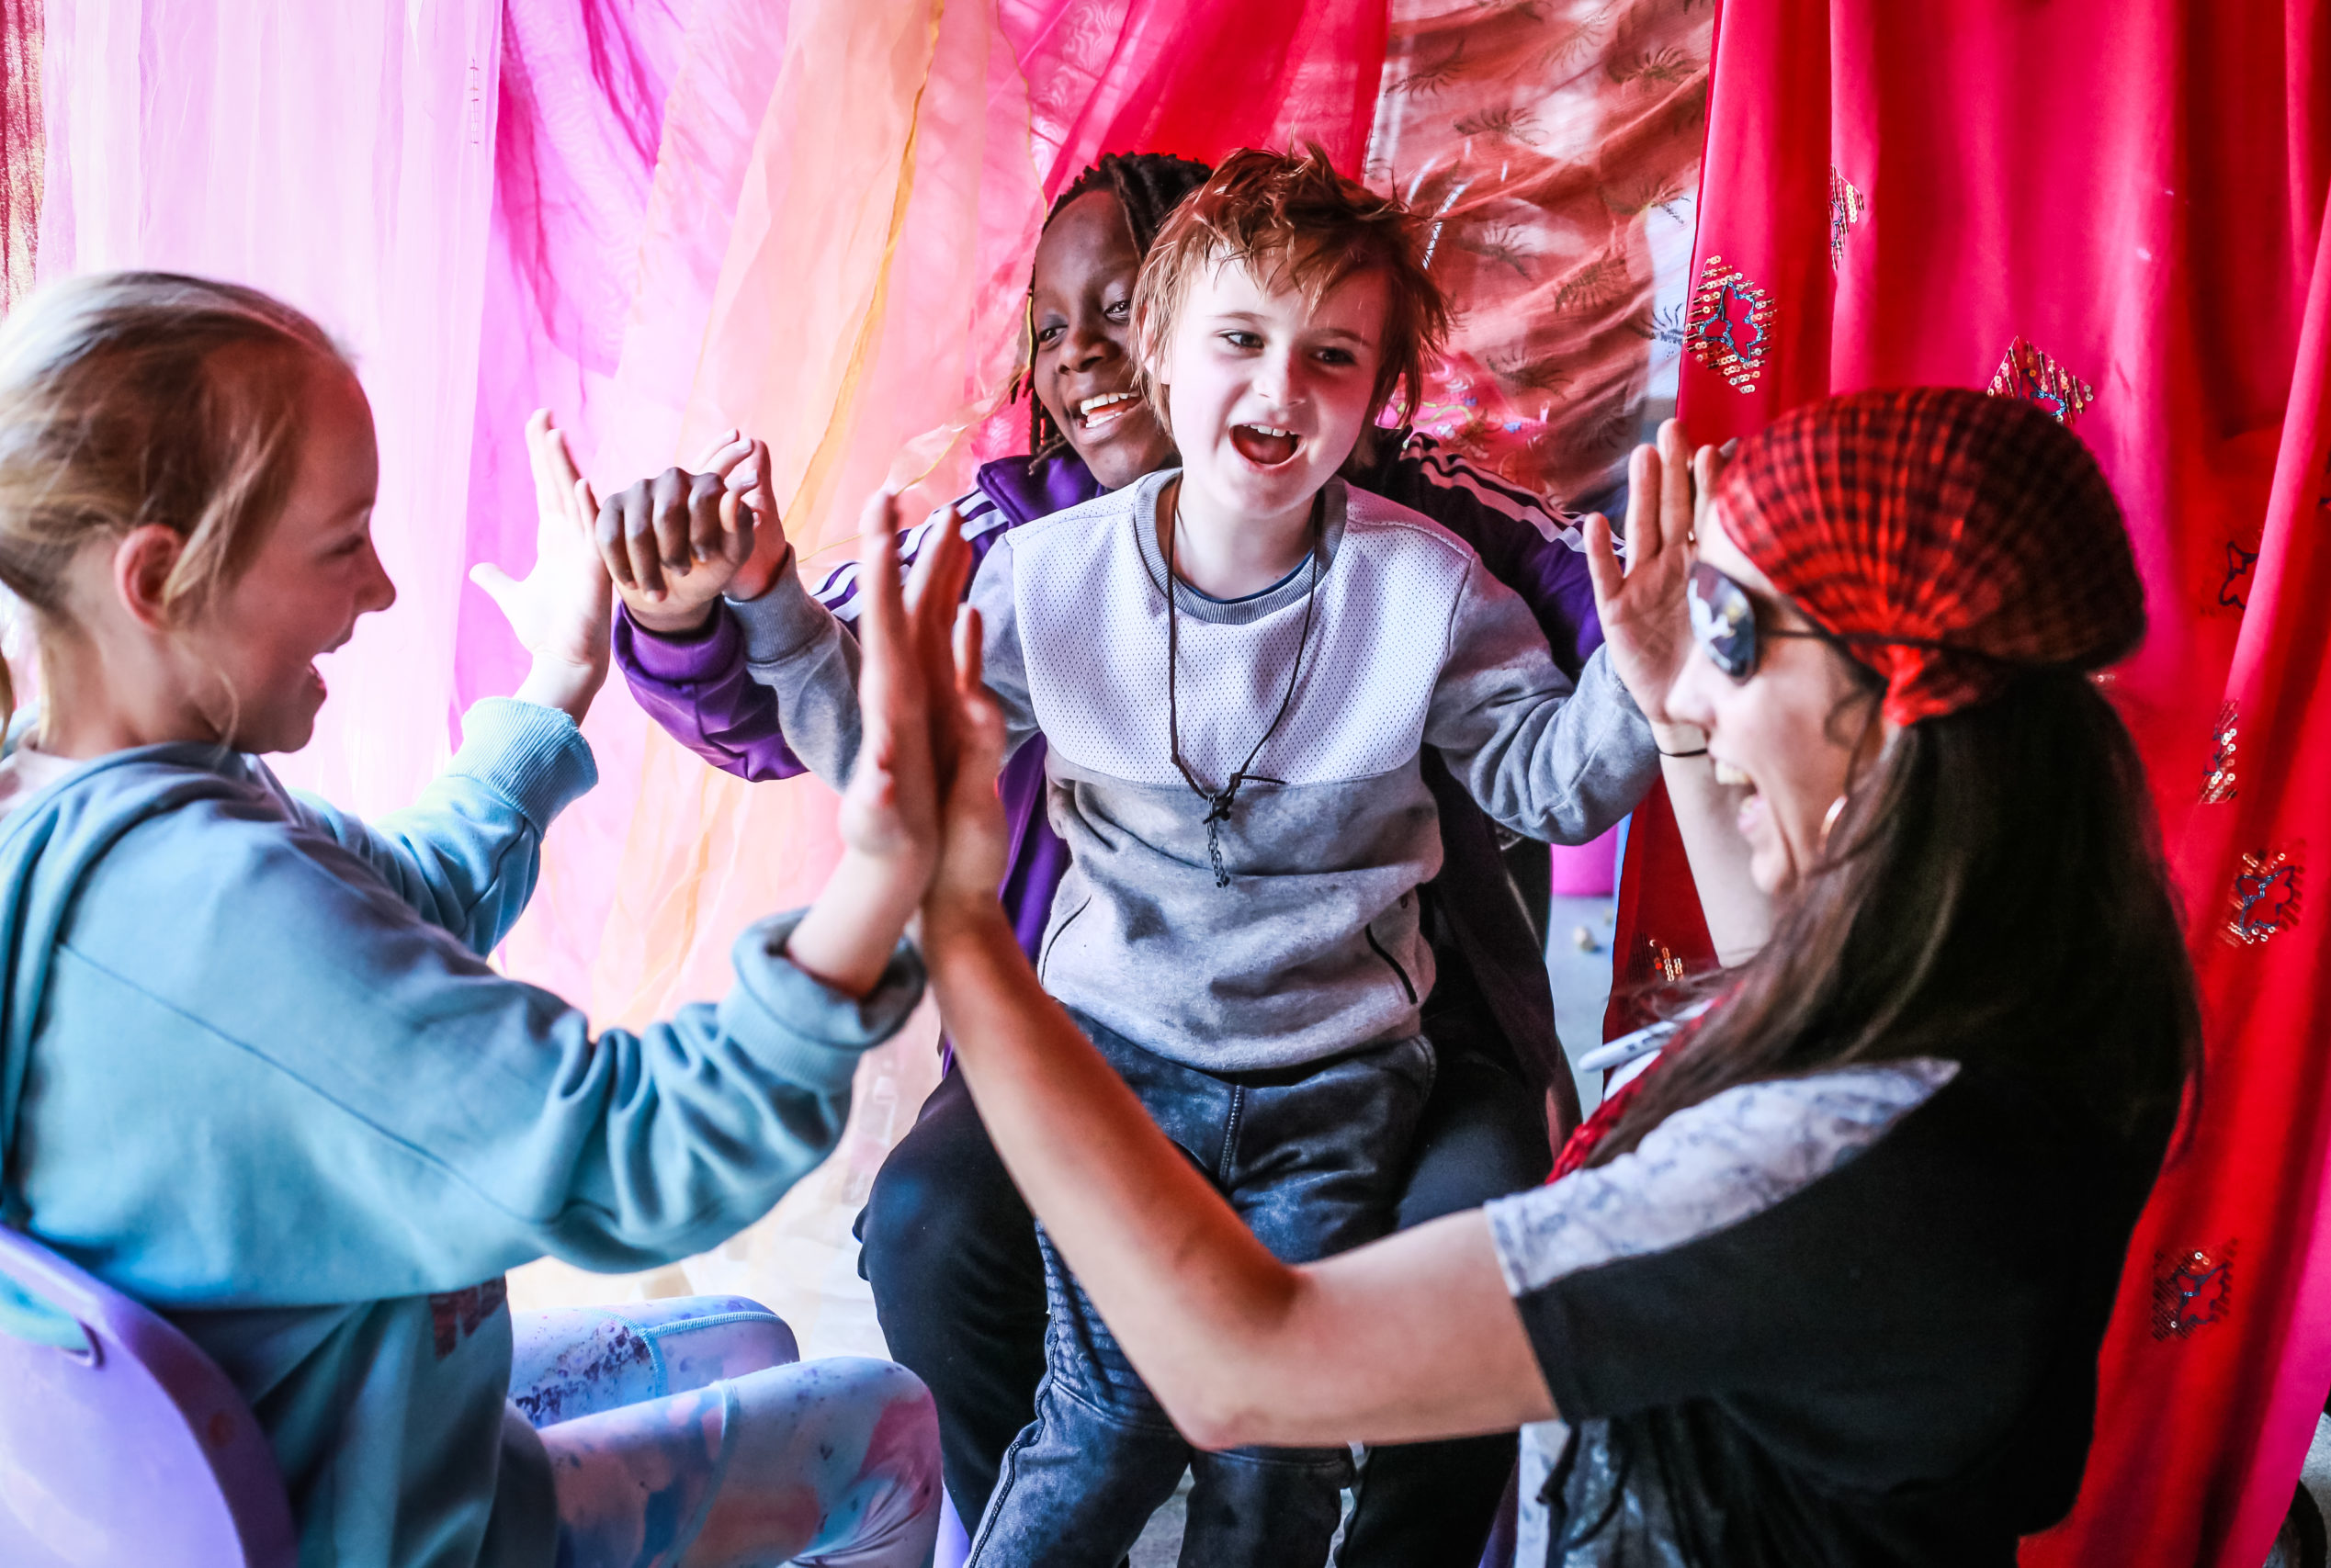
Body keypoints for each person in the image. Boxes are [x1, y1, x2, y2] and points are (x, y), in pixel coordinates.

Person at [888, 385, 2200, 1566]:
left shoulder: (1842, 1168)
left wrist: (965, 930)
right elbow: (1767, 963)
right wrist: (1673, 710)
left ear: (1900, 693)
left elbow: (1241, 1368)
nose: (1693, 684)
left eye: (1733, 634)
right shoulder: (2009, 998)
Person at [602, 151, 1623, 1561]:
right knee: (1099, 1416)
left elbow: (1555, 750)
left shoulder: (1423, 565)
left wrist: (1653, 660)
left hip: (1341, 1072)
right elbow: (851, 727)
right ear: (1171, 349)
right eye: (1238, 343)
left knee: (1279, 1434)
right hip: (1110, 1053)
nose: (1277, 389)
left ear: (1380, 394)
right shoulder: (1032, 559)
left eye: (1330, 355)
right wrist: (749, 598)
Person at [0, 272, 945, 1568]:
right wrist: (888, 866)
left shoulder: (90, 792)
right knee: (884, 1426)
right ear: (158, 577)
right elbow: (639, 1153)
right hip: (365, 1521)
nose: (383, 591)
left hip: (316, 1434)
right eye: (343, 545)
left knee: (747, 1338)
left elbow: (393, 916)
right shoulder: (201, 917)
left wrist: (560, 676)